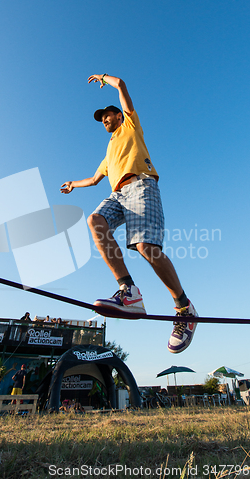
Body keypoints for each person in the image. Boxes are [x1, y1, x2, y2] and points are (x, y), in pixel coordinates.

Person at [61, 73, 198, 354]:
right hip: (118, 194)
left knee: (145, 246)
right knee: (95, 220)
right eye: (102, 119)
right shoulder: (109, 150)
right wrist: (74, 184)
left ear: (118, 116)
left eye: (108, 116)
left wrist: (103, 78)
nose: (105, 121)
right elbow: (95, 178)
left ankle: (184, 307)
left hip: (142, 184)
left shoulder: (131, 126)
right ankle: (129, 291)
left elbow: (122, 84)